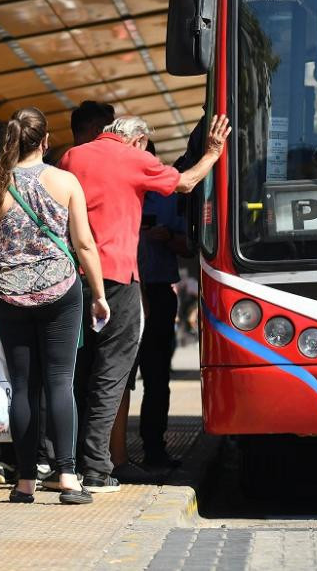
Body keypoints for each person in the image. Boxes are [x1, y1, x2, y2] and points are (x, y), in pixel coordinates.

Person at [57, 113, 229, 492]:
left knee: (75, 374)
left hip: (75, 279)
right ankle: (98, 468)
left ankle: (63, 464)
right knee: (112, 374)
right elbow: (185, 183)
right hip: (117, 278)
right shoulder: (135, 158)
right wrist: (213, 153)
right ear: (138, 141)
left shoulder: (73, 157)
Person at [0, 107, 111, 505]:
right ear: (46, 141)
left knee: (22, 389)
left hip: (7, 294)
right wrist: (99, 294)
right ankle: (67, 475)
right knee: (59, 382)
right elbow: (84, 243)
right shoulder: (65, 181)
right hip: (61, 290)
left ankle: (24, 482)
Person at [136, 142, 190, 470]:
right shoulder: (114, 191)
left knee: (156, 377)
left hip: (157, 291)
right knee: (111, 377)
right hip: (121, 291)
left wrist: (167, 236)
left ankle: (154, 447)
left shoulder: (170, 197)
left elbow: (189, 245)